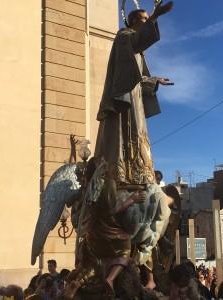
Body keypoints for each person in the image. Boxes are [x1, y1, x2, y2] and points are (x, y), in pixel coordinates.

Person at [93, 1, 174, 187]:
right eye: (144, 20)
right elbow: (137, 44)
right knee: (124, 131)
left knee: (137, 131)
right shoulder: (124, 36)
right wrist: (155, 16)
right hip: (123, 98)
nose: (147, 23)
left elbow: (138, 77)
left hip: (135, 97)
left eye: (148, 19)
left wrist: (154, 80)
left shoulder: (137, 49)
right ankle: (121, 171)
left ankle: (137, 170)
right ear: (134, 22)